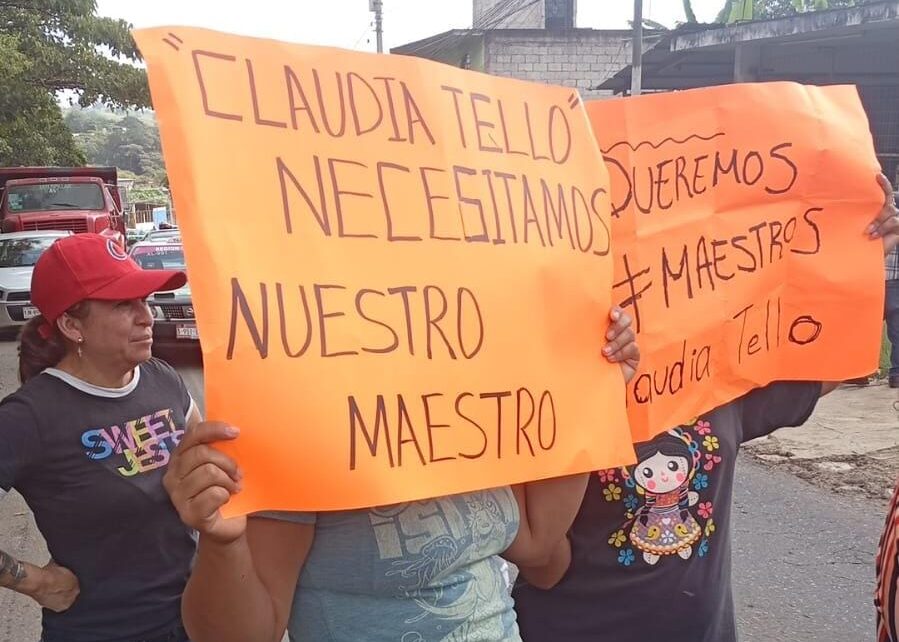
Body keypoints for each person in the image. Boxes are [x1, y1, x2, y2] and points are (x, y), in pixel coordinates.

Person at [511, 173, 899, 642]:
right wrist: (586, 403)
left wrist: (857, 261)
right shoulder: (543, 402)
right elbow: (541, 562)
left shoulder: (711, 385)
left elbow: (825, 367)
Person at [163, 307, 639, 642]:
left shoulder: (475, 397)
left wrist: (587, 400)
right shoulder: (303, 412)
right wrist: (223, 544)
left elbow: (536, 540)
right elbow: (242, 634)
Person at [0, 234, 199, 642]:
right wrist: (34, 581)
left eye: (144, 300)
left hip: (197, 618)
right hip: (102, 630)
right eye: (123, 304)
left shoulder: (161, 377)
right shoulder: (29, 417)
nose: (146, 317)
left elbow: (205, 460)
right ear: (72, 326)